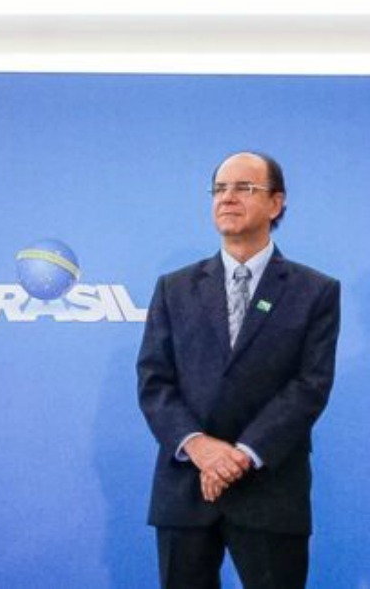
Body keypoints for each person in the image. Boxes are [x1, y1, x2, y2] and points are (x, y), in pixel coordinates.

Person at [137, 151, 340, 589]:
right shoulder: (174, 288)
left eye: (244, 188)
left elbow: (310, 386)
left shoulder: (316, 291)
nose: (227, 198)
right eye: (220, 189)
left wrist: (241, 455)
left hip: (270, 489)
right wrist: (199, 447)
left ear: (276, 203)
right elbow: (154, 382)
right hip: (186, 489)